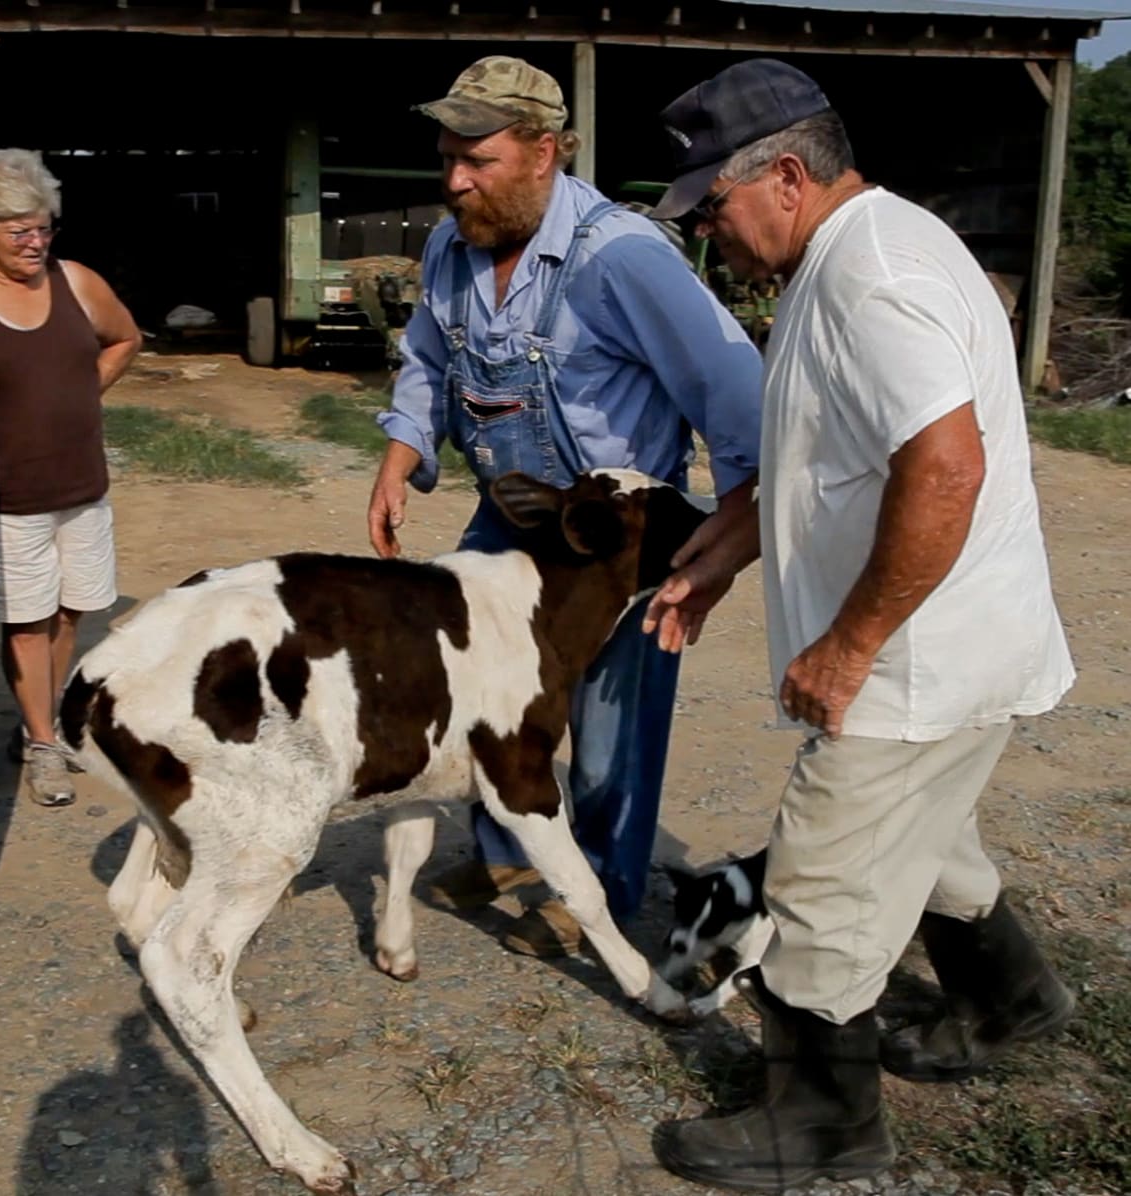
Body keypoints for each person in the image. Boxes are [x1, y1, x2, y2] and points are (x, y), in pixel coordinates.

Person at [641, 59, 1077, 1191]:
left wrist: (848, 642)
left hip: (911, 661)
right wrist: (727, 554)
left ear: (784, 175)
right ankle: (1009, 999)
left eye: (713, 206)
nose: (707, 233)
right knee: (923, 840)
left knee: (824, 883)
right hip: (953, 650)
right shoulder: (857, 253)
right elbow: (831, 457)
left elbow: (943, 469)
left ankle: (824, 1128)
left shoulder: (869, 275)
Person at [368, 56, 765, 954]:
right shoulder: (449, 246)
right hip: (511, 519)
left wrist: (728, 536)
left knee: (608, 722)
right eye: (448, 158)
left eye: (479, 161)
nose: (455, 180)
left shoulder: (621, 259)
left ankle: (603, 891)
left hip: (613, 539)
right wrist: (400, 457)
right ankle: (509, 853)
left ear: (544, 152)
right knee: (489, 694)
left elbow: (734, 394)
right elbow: (427, 362)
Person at [0, 148, 142, 807]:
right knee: (24, 621)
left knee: (70, 609)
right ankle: (45, 742)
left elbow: (125, 337)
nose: (34, 242)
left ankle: (35, 724)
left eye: (43, 227)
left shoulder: (75, 282)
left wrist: (83, 392)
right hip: (10, 495)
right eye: (19, 231)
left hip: (80, 484)